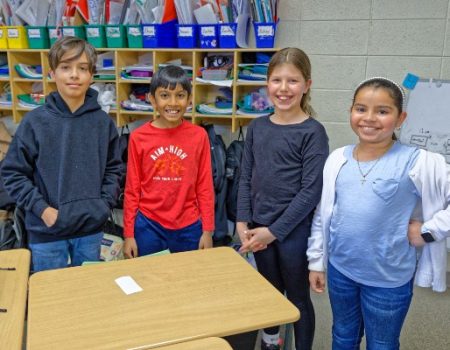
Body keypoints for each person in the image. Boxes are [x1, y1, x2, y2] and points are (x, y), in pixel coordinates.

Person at [307, 77, 450, 350]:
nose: (369, 118)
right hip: (341, 271)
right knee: (343, 337)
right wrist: (316, 261)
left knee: (382, 344)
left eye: (382, 111)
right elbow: (323, 214)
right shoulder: (338, 158)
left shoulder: (418, 161)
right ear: (351, 111)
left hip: (388, 281)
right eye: (361, 108)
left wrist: (427, 231)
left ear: (400, 118)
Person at [1, 36, 122, 271]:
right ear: (52, 74)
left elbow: (114, 168)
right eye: (66, 67)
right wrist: (42, 210)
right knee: (50, 297)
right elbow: (13, 173)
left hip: (90, 230)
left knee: (87, 292)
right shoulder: (34, 122)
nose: (74, 75)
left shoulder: (102, 123)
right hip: (47, 232)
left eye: (82, 68)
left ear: (92, 75)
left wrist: (103, 206)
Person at [237, 48, 329, 350]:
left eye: (293, 81)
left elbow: (310, 192)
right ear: (267, 84)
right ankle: (271, 342)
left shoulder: (313, 132)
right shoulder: (257, 127)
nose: (284, 88)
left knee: (297, 296)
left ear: (307, 85)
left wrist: (274, 231)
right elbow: (246, 177)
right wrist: (242, 220)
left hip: (293, 232)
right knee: (270, 292)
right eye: (277, 80)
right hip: (258, 227)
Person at [123, 65, 214, 258]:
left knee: (187, 282)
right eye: (165, 95)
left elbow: (204, 185)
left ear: (189, 99)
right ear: (152, 100)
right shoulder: (139, 137)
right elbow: (132, 188)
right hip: (148, 225)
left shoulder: (199, 136)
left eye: (180, 95)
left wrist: (207, 230)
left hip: (189, 226)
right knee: (149, 281)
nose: (173, 103)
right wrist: (129, 233)